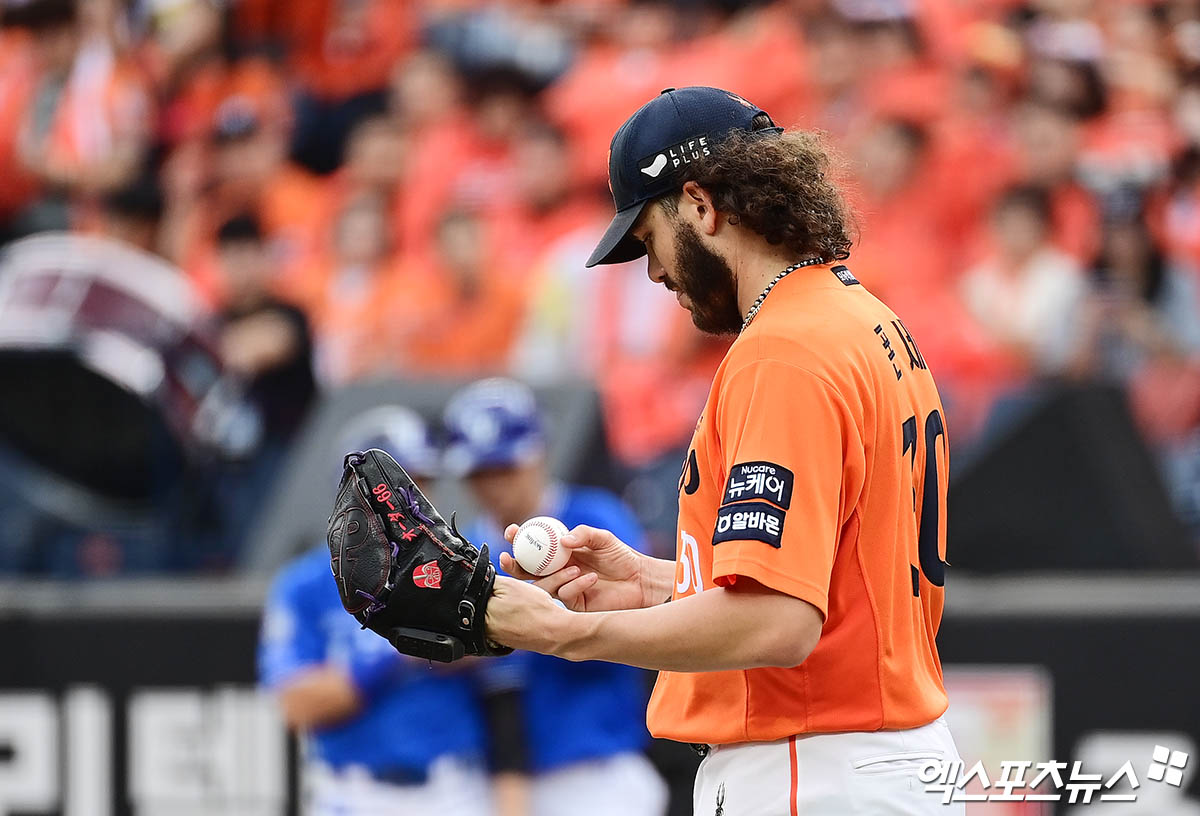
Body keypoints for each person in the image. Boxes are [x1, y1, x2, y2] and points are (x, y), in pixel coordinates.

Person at [483, 86, 963, 815]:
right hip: (873, 756)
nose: (652, 272)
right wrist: (655, 584)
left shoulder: (783, 351)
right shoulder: (861, 317)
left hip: (814, 766)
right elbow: (830, 589)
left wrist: (571, 633)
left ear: (702, 207)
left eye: (649, 239)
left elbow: (780, 622)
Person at [443, 377, 668, 816]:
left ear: (538, 454)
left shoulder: (593, 519)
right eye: (479, 472)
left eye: (504, 467)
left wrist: (503, 629)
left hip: (595, 769)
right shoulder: (465, 546)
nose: (492, 484)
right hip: (499, 780)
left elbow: (633, 626)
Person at [257, 406, 493, 816]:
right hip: (355, 794)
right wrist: (398, 649)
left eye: (422, 485)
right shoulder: (306, 582)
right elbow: (296, 703)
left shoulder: (463, 559)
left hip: (457, 789)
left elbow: (506, 642)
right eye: (399, 489)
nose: (415, 504)